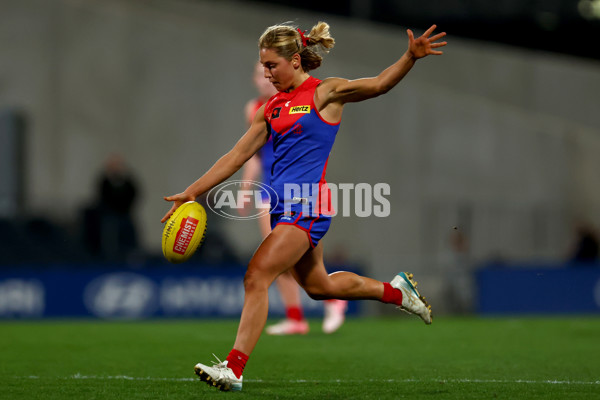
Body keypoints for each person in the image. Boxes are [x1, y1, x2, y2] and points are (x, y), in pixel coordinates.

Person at [161, 21, 446, 392]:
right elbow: (236, 156)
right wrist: (192, 191)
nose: (266, 73)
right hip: (284, 208)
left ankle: (233, 368)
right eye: (263, 66)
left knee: (256, 275)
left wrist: (409, 57)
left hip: (308, 206)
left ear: (295, 61)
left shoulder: (325, 93)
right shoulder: (271, 109)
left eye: (271, 65)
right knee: (320, 286)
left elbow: (379, 84)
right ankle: (397, 292)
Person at [241, 61, 348, 335]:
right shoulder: (256, 110)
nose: (266, 78)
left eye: (270, 70)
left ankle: (332, 298)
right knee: (275, 257)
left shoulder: (301, 101)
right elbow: (255, 155)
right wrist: (245, 188)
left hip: (302, 191)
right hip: (270, 188)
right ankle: (297, 317)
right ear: (255, 80)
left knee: (283, 258)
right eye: (260, 74)